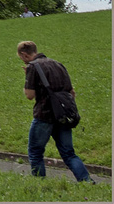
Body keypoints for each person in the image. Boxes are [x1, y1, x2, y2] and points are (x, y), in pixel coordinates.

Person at [18, 40, 93, 182]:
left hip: (44, 115)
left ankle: (40, 184)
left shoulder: (33, 67)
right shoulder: (57, 64)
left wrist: (27, 75)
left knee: (35, 152)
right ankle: (87, 182)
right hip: (63, 115)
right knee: (69, 153)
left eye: (20, 57)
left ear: (24, 55)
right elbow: (71, 92)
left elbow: (29, 95)